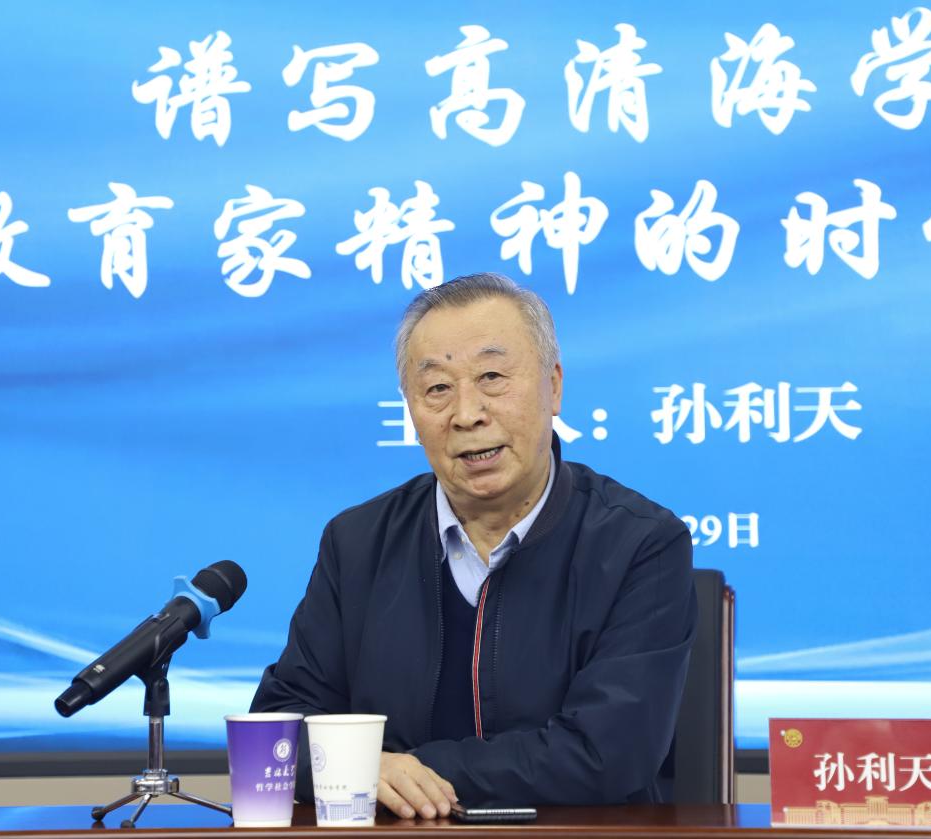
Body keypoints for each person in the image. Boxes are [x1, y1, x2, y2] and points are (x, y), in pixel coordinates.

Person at [251, 272, 696, 818]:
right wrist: (365, 768)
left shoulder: (640, 543)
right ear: (411, 410)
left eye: (492, 377)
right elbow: (278, 730)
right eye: (437, 389)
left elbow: (607, 754)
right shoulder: (358, 543)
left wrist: (391, 768)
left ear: (554, 387)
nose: (466, 414)